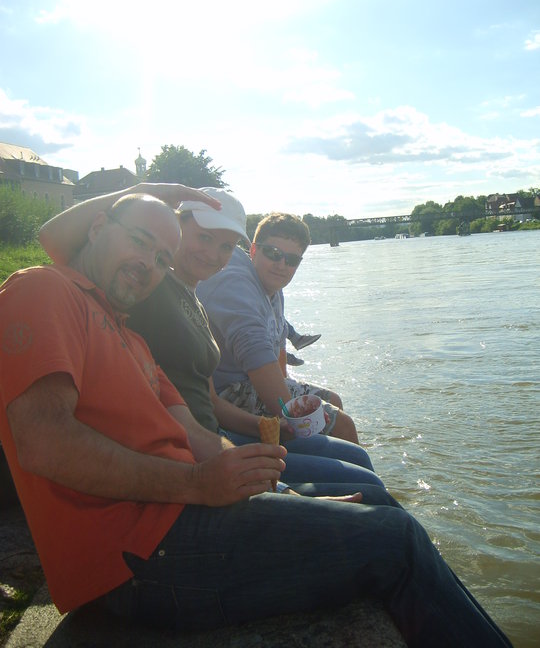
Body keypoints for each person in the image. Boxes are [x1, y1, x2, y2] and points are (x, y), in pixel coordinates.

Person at [0, 193, 513, 646]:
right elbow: (43, 442)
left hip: (179, 520)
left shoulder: (128, 336)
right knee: (396, 541)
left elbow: (196, 432)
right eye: (138, 241)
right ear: (96, 228)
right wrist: (196, 484)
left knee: (373, 505)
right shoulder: (43, 290)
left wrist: (283, 495)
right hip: (138, 558)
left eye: (160, 257)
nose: (148, 264)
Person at [39, 185, 383, 489]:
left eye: (226, 247)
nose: (213, 255)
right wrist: (145, 190)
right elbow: (56, 240)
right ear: (177, 230)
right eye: (204, 238)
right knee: (364, 485)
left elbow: (211, 402)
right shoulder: (151, 285)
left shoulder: (197, 301)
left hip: (211, 436)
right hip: (188, 452)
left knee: (358, 466)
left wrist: (272, 426)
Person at [197, 212, 358, 443]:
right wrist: (292, 414)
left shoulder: (273, 287)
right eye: (273, 253)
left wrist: (288, 386)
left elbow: (278, 352)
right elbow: (255, 353)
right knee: (342, 425)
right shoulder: (236, 284)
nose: (281, 265)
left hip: (252, 382)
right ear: (254, 250)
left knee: (334, 401)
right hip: (230, 390)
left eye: (292, 260)